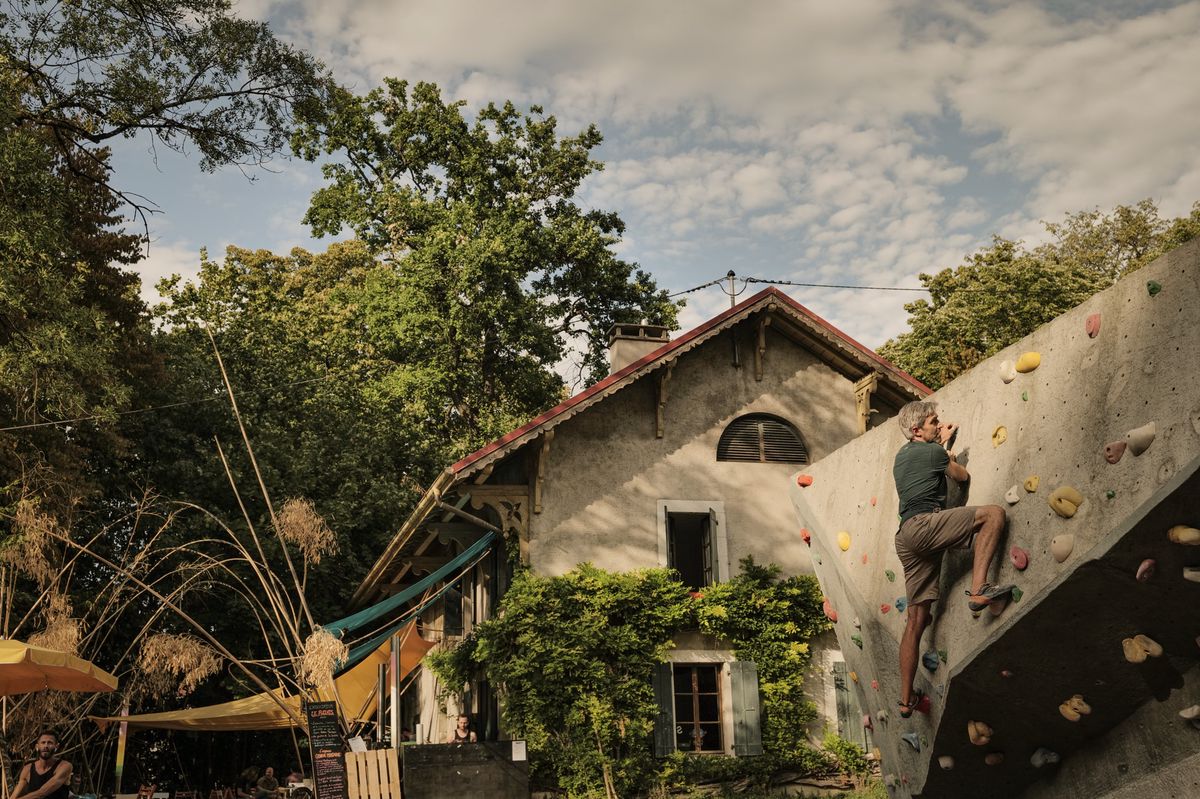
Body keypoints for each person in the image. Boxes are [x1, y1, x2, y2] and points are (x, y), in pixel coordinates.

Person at [892, 401, 1010, 718]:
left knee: (915, 621)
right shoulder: (934, 454)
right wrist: (948, 454)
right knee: (993, 516)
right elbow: (961, 475)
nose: (939, 424)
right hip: (926, 526)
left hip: (906, 537)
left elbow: (926, 462)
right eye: (933, 421)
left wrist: (939, 442)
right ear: (917, 430)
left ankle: (905, 701)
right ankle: (980, 588)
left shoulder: (901, 457)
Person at [12, 731, 72, 799]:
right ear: (37, 746)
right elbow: (15, 795)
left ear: (56, 746)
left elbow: (42, 793)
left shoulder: (64, 766)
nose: (46, 746)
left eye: (50, 743)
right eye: (43, 742)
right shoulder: (27, 769)